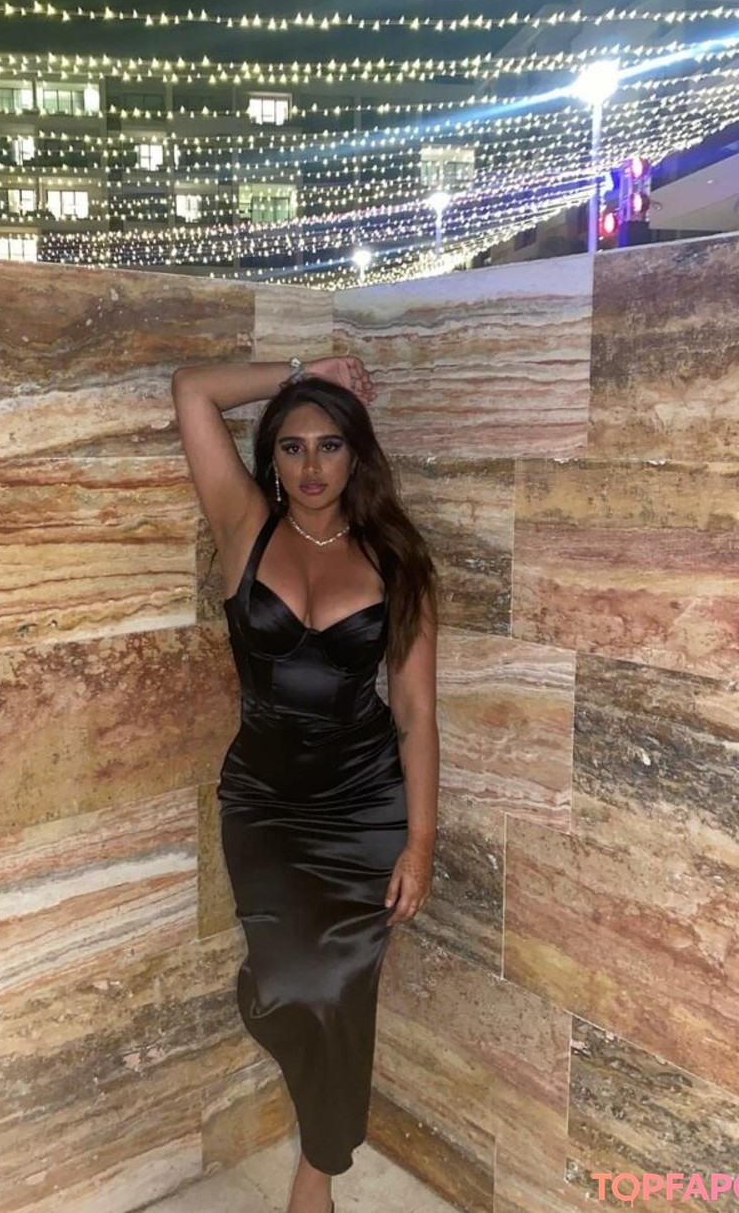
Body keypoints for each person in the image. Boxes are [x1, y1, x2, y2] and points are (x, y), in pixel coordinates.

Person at [171, 355, 439, 1213]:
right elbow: (192, 390)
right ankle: (323, 1147)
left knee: (343, 985)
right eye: (292, 446)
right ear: (271, 458)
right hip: (265, 802)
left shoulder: (396, 557)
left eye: (330, 445)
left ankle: (315, 1176)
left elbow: (415, 712)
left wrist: (420, 842)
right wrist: (301, 370)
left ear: (357, 454)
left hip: (365, 803)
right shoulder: (242, 523)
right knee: (286, 985)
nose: (312, 466)